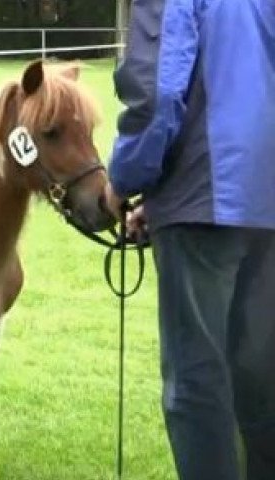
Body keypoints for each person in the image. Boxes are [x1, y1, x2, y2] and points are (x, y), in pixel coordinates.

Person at [103, 1, 275, 479]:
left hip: (207, 207)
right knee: (262, 384)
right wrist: (160, 203)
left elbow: (157, 93)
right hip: (261, 203)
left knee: (197, 386)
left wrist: (124, 179)